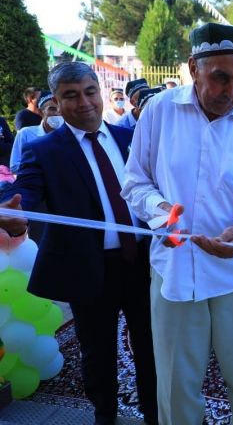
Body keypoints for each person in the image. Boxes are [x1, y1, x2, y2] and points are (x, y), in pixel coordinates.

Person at [122, 23, 233, 425]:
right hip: (176, 269)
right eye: (221, 77)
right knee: (176, 385)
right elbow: (135, 182)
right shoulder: (159, 111)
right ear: (194, 68)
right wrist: (163, 213)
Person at [0, 62, 158, 425]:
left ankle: (154, 414)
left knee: (151, 346)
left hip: (142, 263)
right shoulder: (44, 150)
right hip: (88, 266)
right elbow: (26, 191)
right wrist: (14, 209)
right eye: (71, 96)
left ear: (100, 93)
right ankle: (105, 415)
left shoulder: (130, 139)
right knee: (97, 351)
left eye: (90, 92)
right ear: (55, 102)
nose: (84, 103)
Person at [9, 91, 65, 173]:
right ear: (41, 112)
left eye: (60, 110)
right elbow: (14, 166)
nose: (57, 113)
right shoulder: (26, 134)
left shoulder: (70, 135)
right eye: (52, 109)